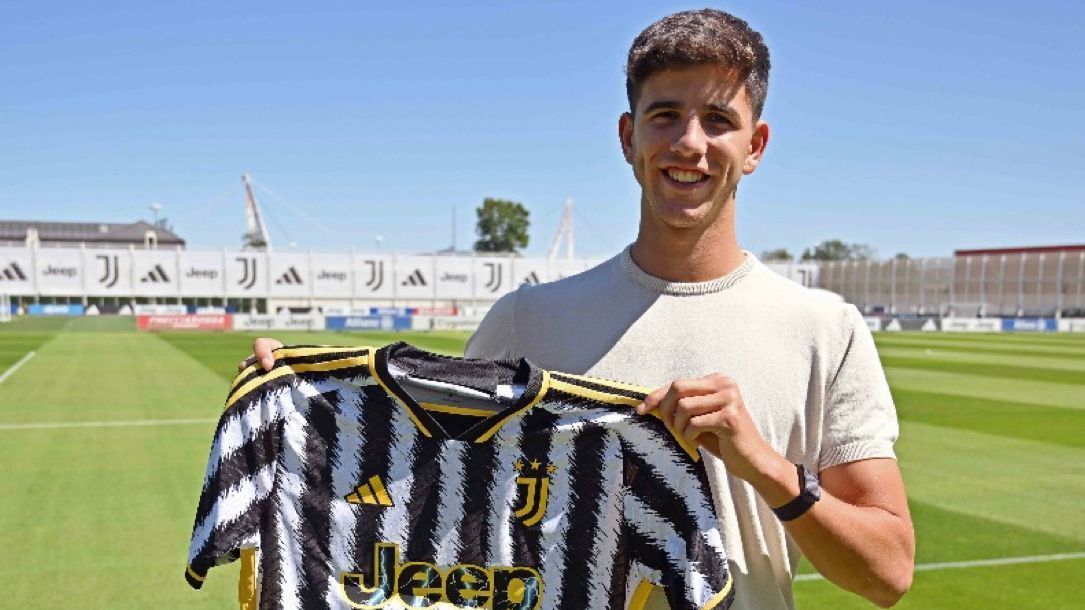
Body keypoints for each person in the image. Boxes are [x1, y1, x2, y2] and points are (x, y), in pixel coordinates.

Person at [245, 9, 914, 609]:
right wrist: (313, 402)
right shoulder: (526, 320)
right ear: (628, 137)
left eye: (718, 120)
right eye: (664, 115)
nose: (689, 142)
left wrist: (761, 464)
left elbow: (886, 574)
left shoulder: (824, 330)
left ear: (755, 145)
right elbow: (421, 496)